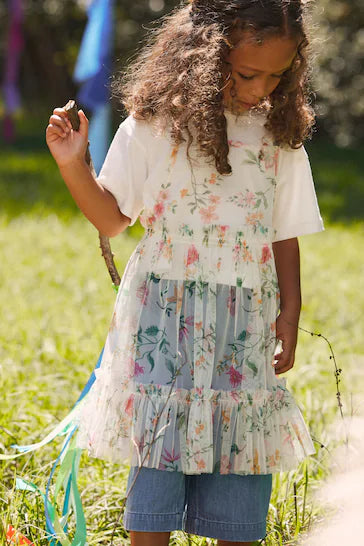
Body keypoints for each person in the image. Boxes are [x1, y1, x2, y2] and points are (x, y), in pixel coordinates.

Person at [46, 0, 324, 544]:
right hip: (162, 314)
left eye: (276, 75)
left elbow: (282, 229)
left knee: (240, 446)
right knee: (160, 442)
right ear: (207, 53)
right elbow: (112, 216)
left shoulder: (277, 136)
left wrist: (290, 311)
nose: (261, 88)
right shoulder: (154, 125)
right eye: (248, 73)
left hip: (243, 319)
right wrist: (72, 164)